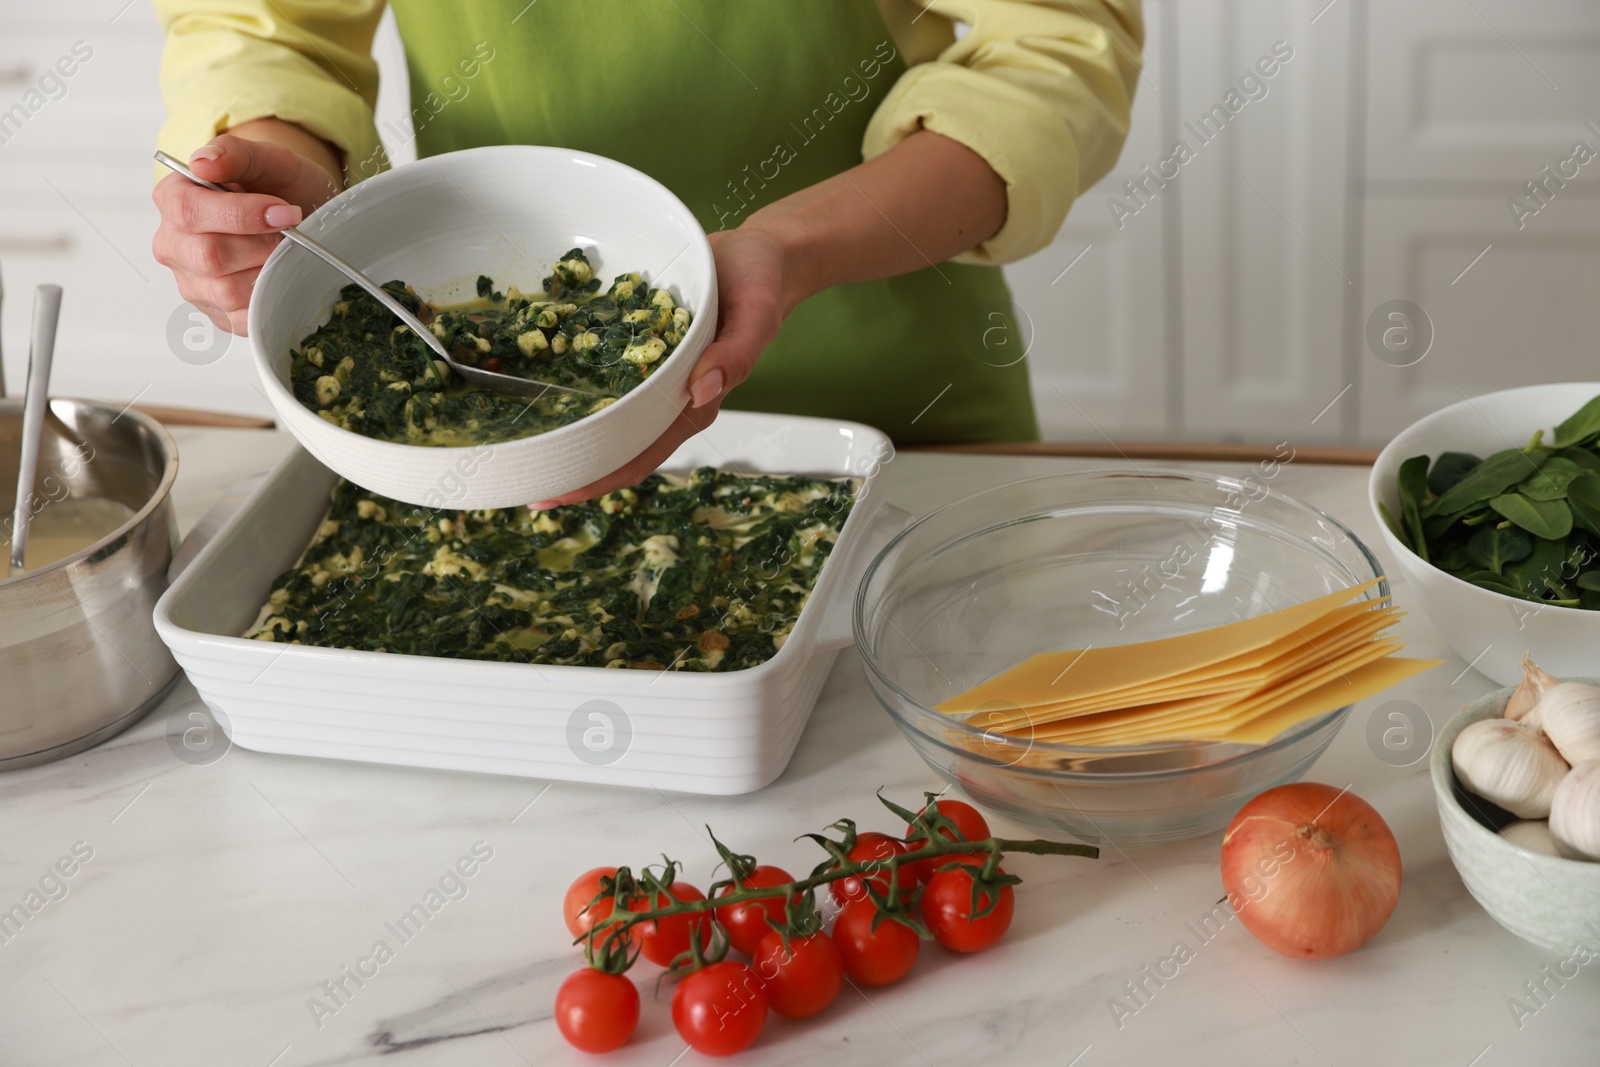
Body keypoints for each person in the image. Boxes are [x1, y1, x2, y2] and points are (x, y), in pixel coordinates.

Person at [151, 1, 1141, 504]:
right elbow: (265, 26)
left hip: (883, 374)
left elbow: (1051, 47)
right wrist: (276, 170)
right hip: (489, 412)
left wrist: (788, 248)